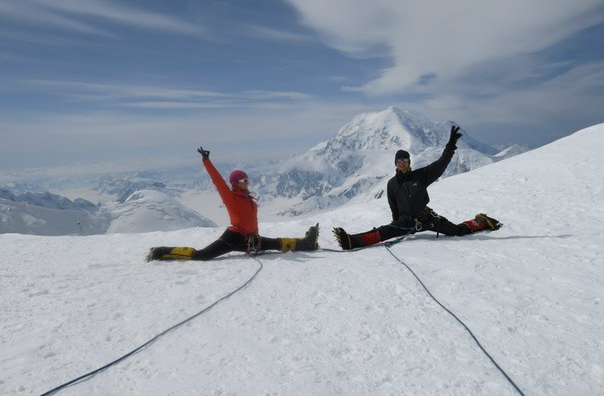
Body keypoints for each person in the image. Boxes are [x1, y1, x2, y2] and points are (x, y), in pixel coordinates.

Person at [332, 126, 501, 250]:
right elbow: (394, 207)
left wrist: (450, 147)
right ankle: (351, 241)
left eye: (405, 161)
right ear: (395, 164)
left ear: (409, 162)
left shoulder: (421, 175)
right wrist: (396, 226)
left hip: (427, 218)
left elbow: (440, 165)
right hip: (405, 222)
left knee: (456, 231)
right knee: (383, 232)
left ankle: (481, 221)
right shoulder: (392, 184)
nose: (403, 164)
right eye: (399, 161)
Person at [147, 146, 319, 261]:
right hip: (233, 238)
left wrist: (256, 239)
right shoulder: (231, 197)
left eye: (248, 179)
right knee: (202, 255)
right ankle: (160, 251)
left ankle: (307, 243)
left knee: (277, 243)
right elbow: (218, 181)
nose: (248, 182)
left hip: (251, 239)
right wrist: (207, 161)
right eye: (244, 179)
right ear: (236, 182)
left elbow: (252, 221)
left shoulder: (249, 199)